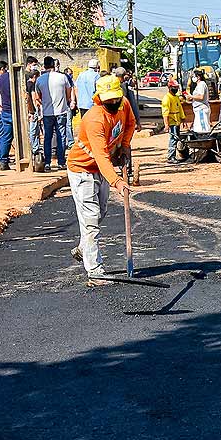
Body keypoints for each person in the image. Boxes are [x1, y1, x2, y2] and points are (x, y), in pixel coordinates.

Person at [66, 75, 135, 286]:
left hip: (101, 170)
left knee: (100, 213)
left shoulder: (124, 106)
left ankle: (83, 248)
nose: (113, 104)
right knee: (91, 218)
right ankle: (95, 271)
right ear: (99, 99)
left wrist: (124, 145)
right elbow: (101, 156)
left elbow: (131, 124)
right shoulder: (95, 119)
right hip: (83, 169)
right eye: (108, 101)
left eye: (116, 99)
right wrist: (117, 181)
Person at [34, 56, 75, 171]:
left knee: (47, 137)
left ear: (44, 66)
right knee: (61, 136)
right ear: (54, 64)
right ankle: (61, 162)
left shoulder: (40, 80)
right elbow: (68, 92)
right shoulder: (62, 77)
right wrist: (65, 102)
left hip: (47, 113)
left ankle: (47, 163)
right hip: (61, 111)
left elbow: (38, 97)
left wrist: (45, 103)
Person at [161, 80, 186, 164]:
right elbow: (165, 113)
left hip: (177, 122)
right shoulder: (167, 98)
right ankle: (171, 156)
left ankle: (174, 155)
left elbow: (180, 108)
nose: (175, 89)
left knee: (176, 139)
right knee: (173, 139)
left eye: (176, 88)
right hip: (172, 123)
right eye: (174, 88)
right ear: (169, 88)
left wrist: (183, 118)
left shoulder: (176, 97)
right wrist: (166, 125)